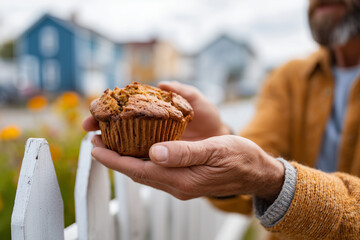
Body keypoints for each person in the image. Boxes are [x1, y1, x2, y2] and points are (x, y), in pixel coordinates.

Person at [82, 0, 360, 238]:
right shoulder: (289, 79)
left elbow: (262, 170)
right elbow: (251, 174)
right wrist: (218, 134)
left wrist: (276, 180)